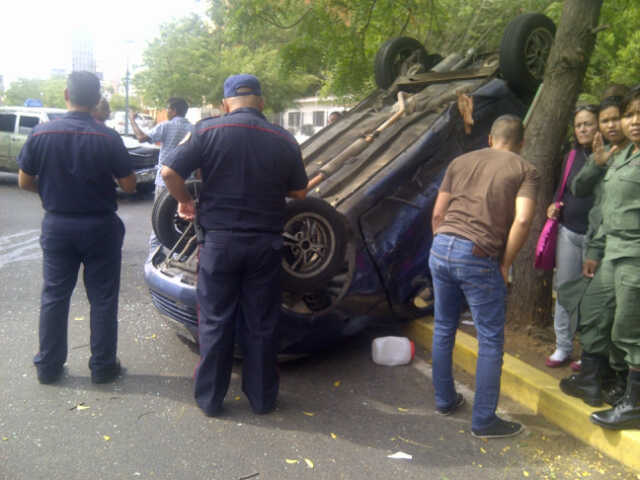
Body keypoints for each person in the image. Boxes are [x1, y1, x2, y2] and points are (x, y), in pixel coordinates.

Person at [161, 74, 308, 416]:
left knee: (215, 320)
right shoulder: (283, 138)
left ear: (226, 104)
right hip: (265, 245)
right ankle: (262, 399)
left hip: (219, 244)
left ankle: (210, 400)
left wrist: (184, 201)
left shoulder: (206, 131)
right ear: (261, 102)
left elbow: (169, 172)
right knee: (262, 323)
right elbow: (300, 192)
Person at [17, 71, 136, 384]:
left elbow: (24, 181)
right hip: (100, 226)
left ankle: (48, 367)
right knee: (103, 299)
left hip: (58, 225)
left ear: (66, 95)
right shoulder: (108, 137)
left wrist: (51, 192)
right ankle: (103, 366)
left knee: (55, 296)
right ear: (96, 100)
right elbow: (129, 184)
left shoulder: (41, 134)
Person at [429, 115, 538, 438]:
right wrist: (505, 263)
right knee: (489, 339)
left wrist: (443, 244)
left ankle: (445, 400)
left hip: (441, 246)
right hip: (478, 254)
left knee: (444, 326)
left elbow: (438, 213)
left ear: (490, 138)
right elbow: (522, 221)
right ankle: (484, 421)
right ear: (521, 143)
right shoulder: (525, 170)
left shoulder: (460, 162)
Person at [560, 87, 640, 430]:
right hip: (611, 251)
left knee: (628, 328)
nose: (632, 122)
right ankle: (598, 381)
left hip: (633, 255)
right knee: (595, 312)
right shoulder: (623, 155)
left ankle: (632, 402)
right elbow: (607, 208)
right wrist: (595, 250)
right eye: (629, 115)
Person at [545, 104, 599, 368]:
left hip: (596, 239)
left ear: (598, 125)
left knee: (593, 297)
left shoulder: (611, 156)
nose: (583, 129)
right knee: (565, 290)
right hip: (568, 232)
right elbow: (562, 189)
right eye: (578, 125)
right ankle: (563, 347)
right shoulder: (572, 155)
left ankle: (589, 352)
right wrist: (553, 205)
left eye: (588, 123)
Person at [129, 97, 193, 255]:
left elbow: (141, 137)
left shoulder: (166, 126)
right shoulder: (193, 129)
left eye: (168, 109)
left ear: (174, 110)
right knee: (182, 221)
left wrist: (132, 120)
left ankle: (154, 256)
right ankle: (179, 255)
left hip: (165, 182)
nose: (167, 112)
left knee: (160, 221)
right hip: (186, 183)